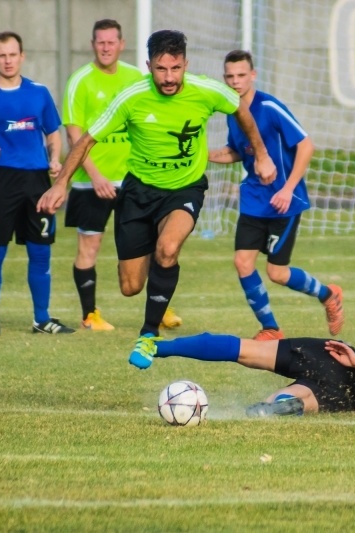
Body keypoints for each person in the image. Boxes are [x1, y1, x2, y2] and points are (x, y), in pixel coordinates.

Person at [37, 30, 276, 357]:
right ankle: (148, 249)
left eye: (175, 68)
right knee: (130, 287)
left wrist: (261, 156)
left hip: (184, 189)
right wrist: (61, 182)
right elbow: (86, 139)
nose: (169, 77)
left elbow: (241, 112)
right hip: (138, 193)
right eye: (161, 69)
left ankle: (148, 334)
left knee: (167, 249)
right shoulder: (131, 96)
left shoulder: (206, 89)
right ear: (149, 65)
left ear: (185, 64)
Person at [208, 50, 343, 341]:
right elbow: (237, 151)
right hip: (254, 200)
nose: (235, 81)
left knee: (277, 273)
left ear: (252, 75)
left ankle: (328, 294)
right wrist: (204, 156)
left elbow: (306, 146)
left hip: (284, 202)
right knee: (242, 262)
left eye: (241, 75)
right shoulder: (232, 113)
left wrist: (287, 188)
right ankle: (271, 328)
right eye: (230, 76)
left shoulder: (270, 107)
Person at [62, 19, 182, 331]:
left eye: (111, 42)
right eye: (100, 42)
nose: (105, 47)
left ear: (121, 44)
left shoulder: (137, 78)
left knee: (157, 244)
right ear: (92, 45)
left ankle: (160, 308)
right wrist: (96, 175)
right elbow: (75, 134)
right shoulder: (80, 80)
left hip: (135, 179)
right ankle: (90, 315)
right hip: (92, 182)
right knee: (90, 246)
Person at [0, 31, 75, 336]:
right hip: (1, 182)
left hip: (37, 182)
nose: (8, 61)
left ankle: (42, 319)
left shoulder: (39, 93)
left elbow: (53, 133)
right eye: (1, 55)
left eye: (13, 54)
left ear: (22, 56)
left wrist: (54, 158)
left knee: (40, 251)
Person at [129, 312, 355, 416]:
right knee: (301, 398)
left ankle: (157, 346)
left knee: (246, 351)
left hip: (341, 368)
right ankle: (269, 408)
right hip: (347, 393)